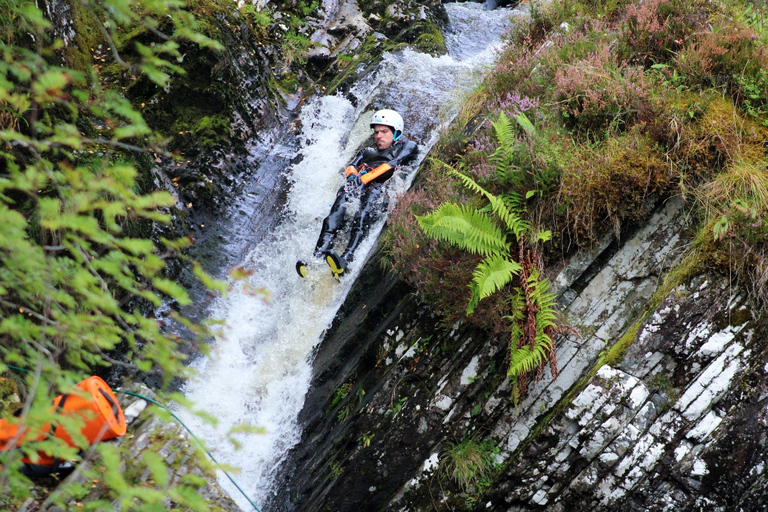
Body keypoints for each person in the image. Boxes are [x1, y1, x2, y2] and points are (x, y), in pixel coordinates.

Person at [297, 109, 418, 279]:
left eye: (384, 132)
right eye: (376, 132)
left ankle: (347, 258)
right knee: (335, 212)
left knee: (363, 212)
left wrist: (365, 178)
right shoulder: (367, 152)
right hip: (360, 187)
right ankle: (317, 257)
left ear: (396, 133)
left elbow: (393, 164)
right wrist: (353, 176)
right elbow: (351, 166)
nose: (379, 136)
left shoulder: (407, 146)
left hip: (379, 189)